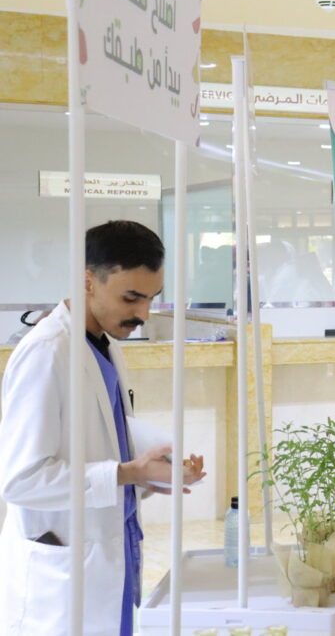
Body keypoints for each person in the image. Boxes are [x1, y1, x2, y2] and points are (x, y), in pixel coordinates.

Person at [0, 220, 206, 636]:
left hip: (111, 557)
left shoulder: (105, 345)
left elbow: (106, 437)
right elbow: (19, 479)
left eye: (151, 299)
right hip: (60, 578)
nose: (144, 315)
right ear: (88, 281)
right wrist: (127, 473)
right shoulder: (46, 353)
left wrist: (156, 470)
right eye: (131, 298)